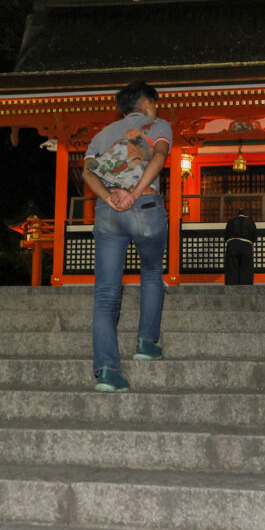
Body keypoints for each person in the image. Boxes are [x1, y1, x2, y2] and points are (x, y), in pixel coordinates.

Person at [82, 80, 172, 392]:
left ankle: (107, 369)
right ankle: (146, 343)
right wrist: (134, 194)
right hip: (144, 205)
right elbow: (158, 158)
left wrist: (110, 199)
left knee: (106, 294)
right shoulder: (158, 125)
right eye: (154, 102)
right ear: (146, 102)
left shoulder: (101, 135)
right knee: (151, 271)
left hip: (109, 212)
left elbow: (87, 173)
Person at [224, 209, 257, 285]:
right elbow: (254, 237)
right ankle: (245, 286)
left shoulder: (231, 221)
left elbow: (226, 236)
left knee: (232, 267)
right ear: (246, 215)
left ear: (237, 214)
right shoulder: (251, 222)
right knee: (246, 268)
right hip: (246, 244)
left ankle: (232, 286)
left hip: (232, 244)